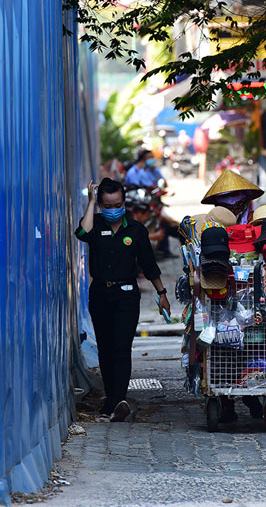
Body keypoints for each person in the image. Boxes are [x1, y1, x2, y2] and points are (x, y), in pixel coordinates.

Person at [76, 177, 172, 421]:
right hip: (100, 294)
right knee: (105, 350)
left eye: (117, 204)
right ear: (100, 205)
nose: (112, 209)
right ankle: (111, 400)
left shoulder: (136, 230)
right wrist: (91, 204)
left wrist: (162, 294)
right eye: (107, 206)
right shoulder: (95, 224)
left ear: (124, 202)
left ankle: (118, 399)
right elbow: (81, 233)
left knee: (121, 347)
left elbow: (150, 266)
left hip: (127, 297)